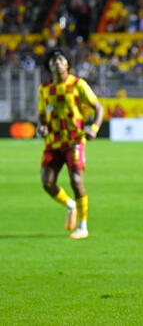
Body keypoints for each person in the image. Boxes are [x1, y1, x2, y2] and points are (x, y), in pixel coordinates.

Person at [38, 48, 103, 240]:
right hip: (53, 142)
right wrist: (41, 127)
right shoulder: (44, 89)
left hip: (74, 140)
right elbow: (42, 115)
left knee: (76, 181)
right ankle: (70, 204)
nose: (57, 63)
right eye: (53, 61)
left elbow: (98, 107)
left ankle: (83, 226)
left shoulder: (77, 84)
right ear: (49, 66)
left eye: (61, 59)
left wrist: (94, 128)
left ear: (67, 64)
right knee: (47, 183)